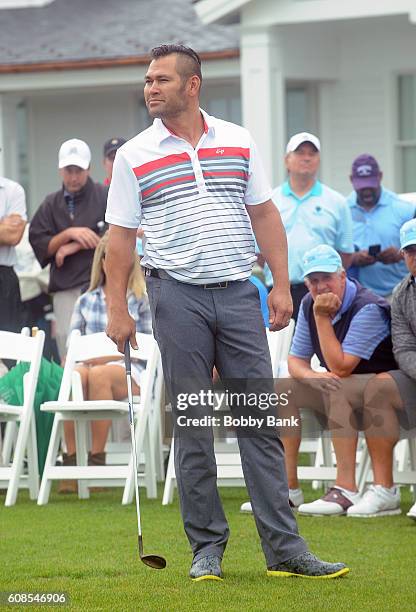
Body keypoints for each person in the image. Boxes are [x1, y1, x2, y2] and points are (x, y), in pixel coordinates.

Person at [105, 44, 348, 581]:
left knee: (258, 422)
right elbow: (120, 239)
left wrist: (280, 286)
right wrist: (117, 309)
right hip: (175, 296)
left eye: (162, 79)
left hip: (240, 292)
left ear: (192, 85)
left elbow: (264, 213)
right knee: (194, 424)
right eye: (147, 80)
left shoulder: (238, 140)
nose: (150, 88)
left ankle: (284, 550)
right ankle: (206, 550)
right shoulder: (134, 155)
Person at [280, 244, 399, 517]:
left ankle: (345, 489)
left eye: (327, 278)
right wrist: (313, 376)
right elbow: (296, 362)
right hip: (345, 385)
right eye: (313, 280)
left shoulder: (368, 306)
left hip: (384, 387)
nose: (320, 287)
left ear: (343, 276)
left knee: (336, 385)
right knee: (285, 388)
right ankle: (287, 490)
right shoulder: (309, 302)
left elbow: (342, 366)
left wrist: (322, 318)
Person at [59, 231, 152, 493]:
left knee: (98, 373)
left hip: (132, 374)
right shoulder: (85, 301)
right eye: (108, 258)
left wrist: (100, 356)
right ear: (101, 263)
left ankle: (96, 461)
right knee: (76, 374)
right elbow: (71, 351)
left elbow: (145, 348)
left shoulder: (141, 300)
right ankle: (72, 462)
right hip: (90, 368)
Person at [29, 139, 108, 359]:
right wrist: (68, 235)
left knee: (101, 348)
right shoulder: (50, 203)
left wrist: (69, 248)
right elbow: (37, 239)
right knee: (69, 351)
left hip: (100, 285)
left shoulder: (104, 195)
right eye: (68, 170)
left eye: (79, 170)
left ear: (89, 169)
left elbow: (115, 234)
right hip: (64, 289)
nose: (73, 177)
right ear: (60, 170)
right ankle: (72, 394)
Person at [263, 132, 354, 319]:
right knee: (282, 347)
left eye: (312, 153)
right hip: (280, 291)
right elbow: (260, 252)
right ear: (287, 160)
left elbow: (345, 253)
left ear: (318, 160)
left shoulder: (337, 201)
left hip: (323, 292)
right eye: (300, 152)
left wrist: (325, 280)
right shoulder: (269, 200)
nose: (306, 158)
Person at [361, 219, 416, 519]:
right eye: (411, 251)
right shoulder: (401, 293)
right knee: (379, 387)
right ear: (404, 256)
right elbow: (404, 349)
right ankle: (385, 490)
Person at [347, 154, 416, 299]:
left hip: (400, 293)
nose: (366, 191)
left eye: (371, 185)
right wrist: (353, 258)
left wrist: (400, 255)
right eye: (362, 187)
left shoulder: (405, 209)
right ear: (351, 180)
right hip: (359, 296)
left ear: (380, 176)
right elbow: (332, 252)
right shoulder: (342, 210)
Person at [0, 175, 26, 332]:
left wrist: (7, 230)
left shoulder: (13, 190)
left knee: (10, 347)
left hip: (4, 279)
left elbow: (13, 235)